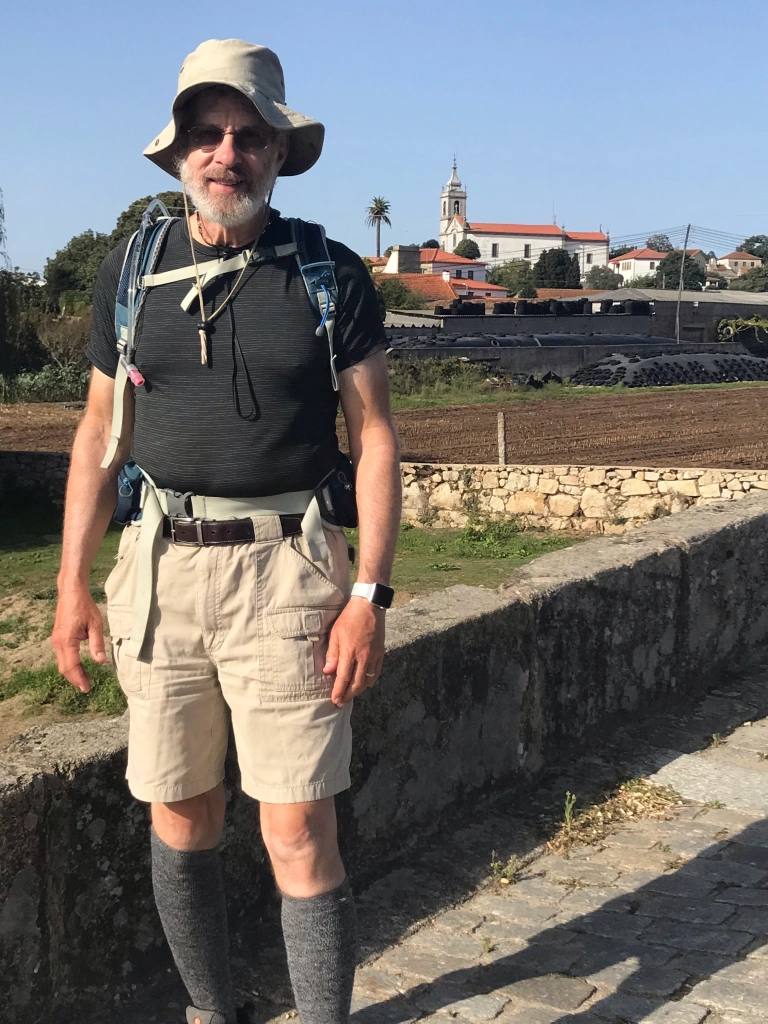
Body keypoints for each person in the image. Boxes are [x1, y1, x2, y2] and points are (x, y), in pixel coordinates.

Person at [52, 38, 401, 1024]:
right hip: (160, 574)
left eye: (250, 135)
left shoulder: (327, 275)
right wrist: (74, 580)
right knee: (181, 815)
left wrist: (368, 594)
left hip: (290, 576)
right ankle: (212, 1010)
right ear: (177, 155)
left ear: (281, 152)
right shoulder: (133, 268)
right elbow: (95, 432)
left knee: (296, 827)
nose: (228, 153)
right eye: (207, 134)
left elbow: (374, 439)